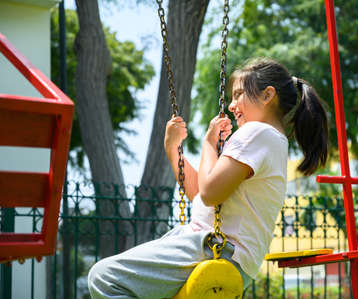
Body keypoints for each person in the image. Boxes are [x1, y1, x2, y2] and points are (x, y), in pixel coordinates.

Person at [87, 57, 329, 298]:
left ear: (267, 95)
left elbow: (211, 192)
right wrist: (175, 151)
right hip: (220, 249)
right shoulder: (271, 141)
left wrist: (208, 144)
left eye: (239, 94)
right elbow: (202, 196)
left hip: (216, 248)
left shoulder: (257, 132)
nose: (232, 105)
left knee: (104, 277)